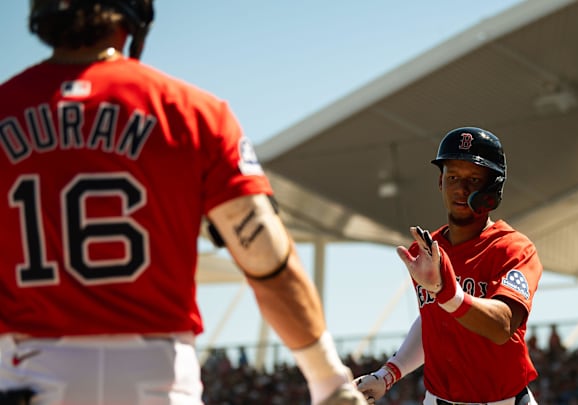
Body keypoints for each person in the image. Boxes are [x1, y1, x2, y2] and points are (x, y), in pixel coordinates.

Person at [0, 1, 366, 404]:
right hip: (157, 380)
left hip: (26, 373)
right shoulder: (192, 112)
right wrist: (327, 376)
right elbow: (267, 261)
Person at [354, 127, 543, 405]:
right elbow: (433, 320)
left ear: (493, 187)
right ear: (440, 181)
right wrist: (388, 374)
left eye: (474, 179)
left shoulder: (512, 248)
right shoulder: (428, 249)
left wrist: (447, 293)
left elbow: (502, 326)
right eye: (453, 176)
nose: (460, 188)